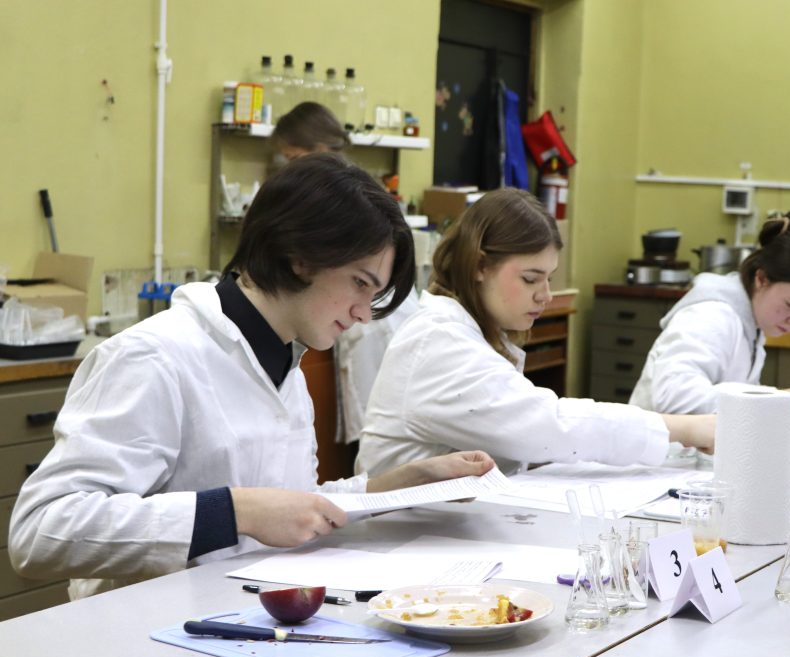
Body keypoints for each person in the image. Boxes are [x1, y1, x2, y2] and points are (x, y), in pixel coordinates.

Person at [9, 154, 494, 599]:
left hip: (243, 624)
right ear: (300, 256)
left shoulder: (285, 363)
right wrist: (235, 511)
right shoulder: (154, 357)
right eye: (359, 284)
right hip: (143, 635)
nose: (364, 314)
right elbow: (40, 531)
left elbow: (290, 508)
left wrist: (403, 484)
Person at [356, 187, 717, 477]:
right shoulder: (438, 342)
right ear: (480, 265)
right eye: (530, 279)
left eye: (548, 279)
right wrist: (683, 429)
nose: (545, 295)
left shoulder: (470, 333)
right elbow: (548, 426)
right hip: (400, 533)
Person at [272, 100, 420, 465]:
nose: (291, 170)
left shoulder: (343, 206)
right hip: (371, 328)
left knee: (384, 438)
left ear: (321, 148)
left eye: (295, 157)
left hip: (383, 332)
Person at [629, 210, 790, 416]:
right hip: (659, 436)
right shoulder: (711, 316)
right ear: (761, 279)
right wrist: (779, 402)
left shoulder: (753, 321)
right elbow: (672, 397)